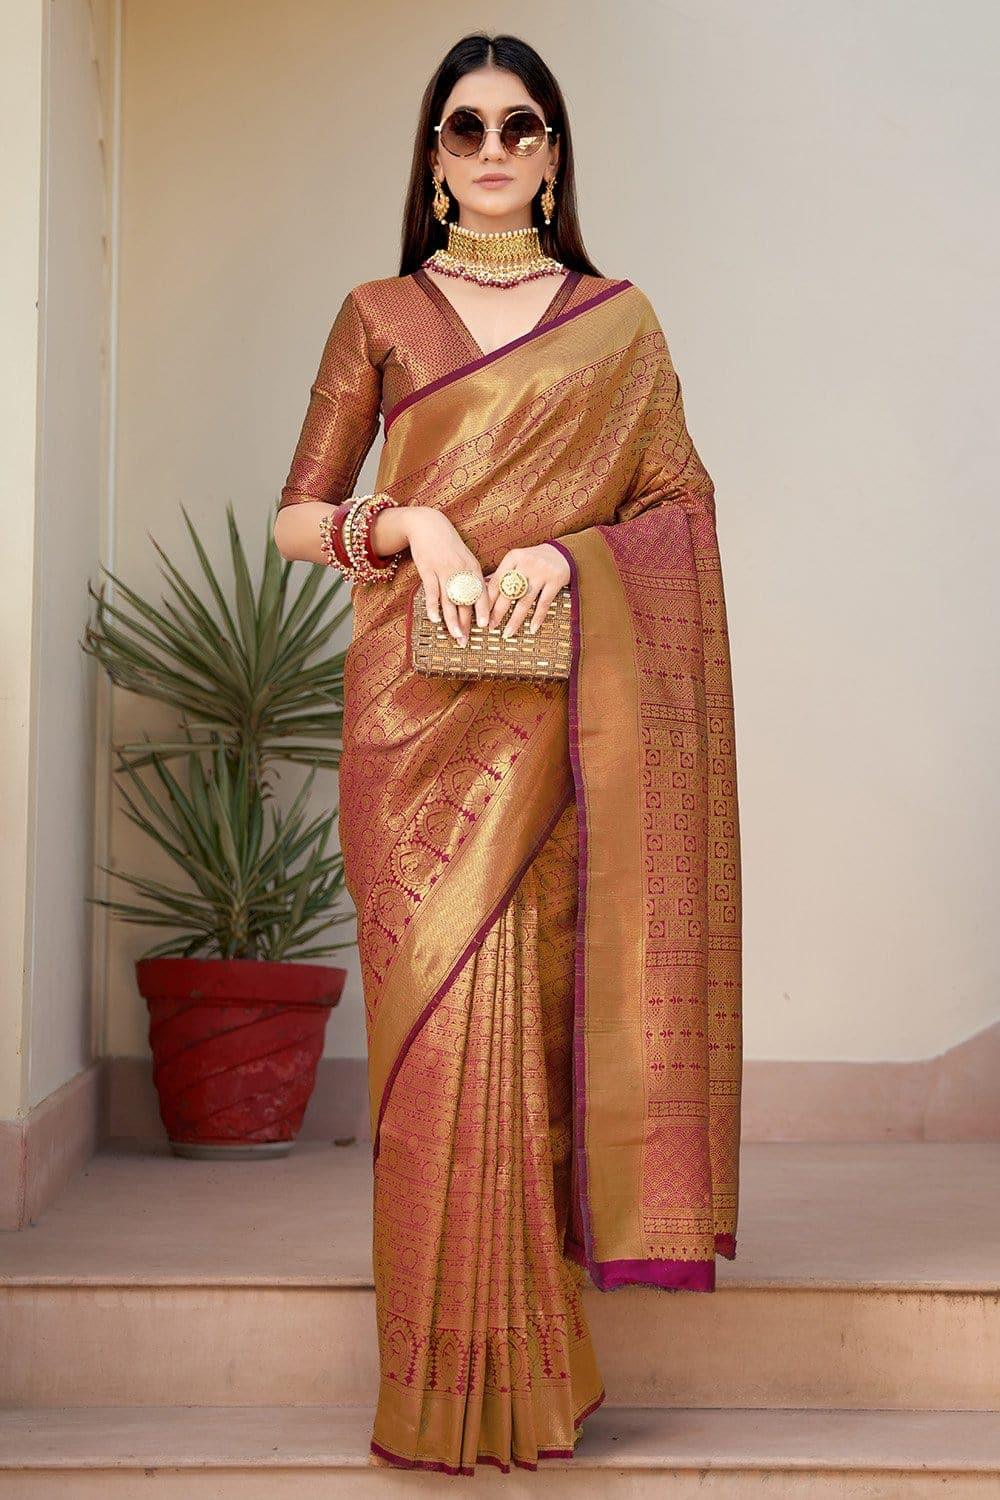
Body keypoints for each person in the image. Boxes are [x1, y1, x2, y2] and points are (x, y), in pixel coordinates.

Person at [273, 30, 743, 1478]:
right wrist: (408, 524)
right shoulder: (378, 314)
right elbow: (296, 516)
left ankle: (534, 1380)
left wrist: (563, 550)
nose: (491, 150)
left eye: (518, 126)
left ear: (552, 155)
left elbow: (680, 510)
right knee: (434, 1055)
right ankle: (433, 1389)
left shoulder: (619, 325)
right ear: (433, 157)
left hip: (559, 723)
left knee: (530, 1038)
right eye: (465, 127)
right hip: (411, 720)